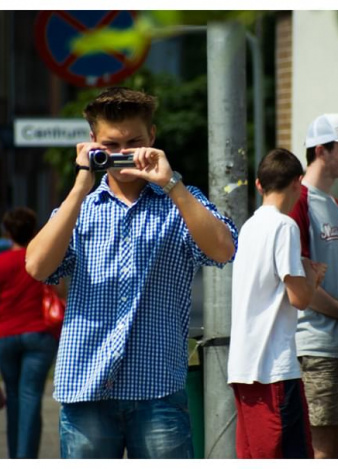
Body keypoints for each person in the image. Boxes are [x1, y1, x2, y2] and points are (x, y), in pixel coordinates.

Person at [24, 87, 238, 459]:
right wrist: (79, 186)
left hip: (156, 388)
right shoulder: (83, 207)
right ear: (92, 142)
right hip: (86, 385)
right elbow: (38, 266)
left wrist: (171, 184)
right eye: (111, 144)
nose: (123, 153)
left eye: (134, 142)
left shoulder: (180, 203)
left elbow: (223, 249)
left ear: (152, 137)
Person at [227, 148, 326, 459]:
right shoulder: (285, 226)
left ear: (259, 185)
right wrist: (312, 275)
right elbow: (300, 298)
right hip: (272, 367)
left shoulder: (249, 227)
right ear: (298, 182)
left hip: (244, 366)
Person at [288, 113, 338, 458]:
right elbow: (299, 283)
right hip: (314, 344)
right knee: (318, 448)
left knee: (335, 446)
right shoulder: (299, 201)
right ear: (322, 150)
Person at [0, 207, 60, 458]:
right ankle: (27, 458)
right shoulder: (42, 257)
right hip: (40, 334)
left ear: (7, 233)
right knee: (31, 397)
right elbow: (60, 290)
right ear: (33, 231)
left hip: (6, 335)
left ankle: (15, 458)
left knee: (13, 397)